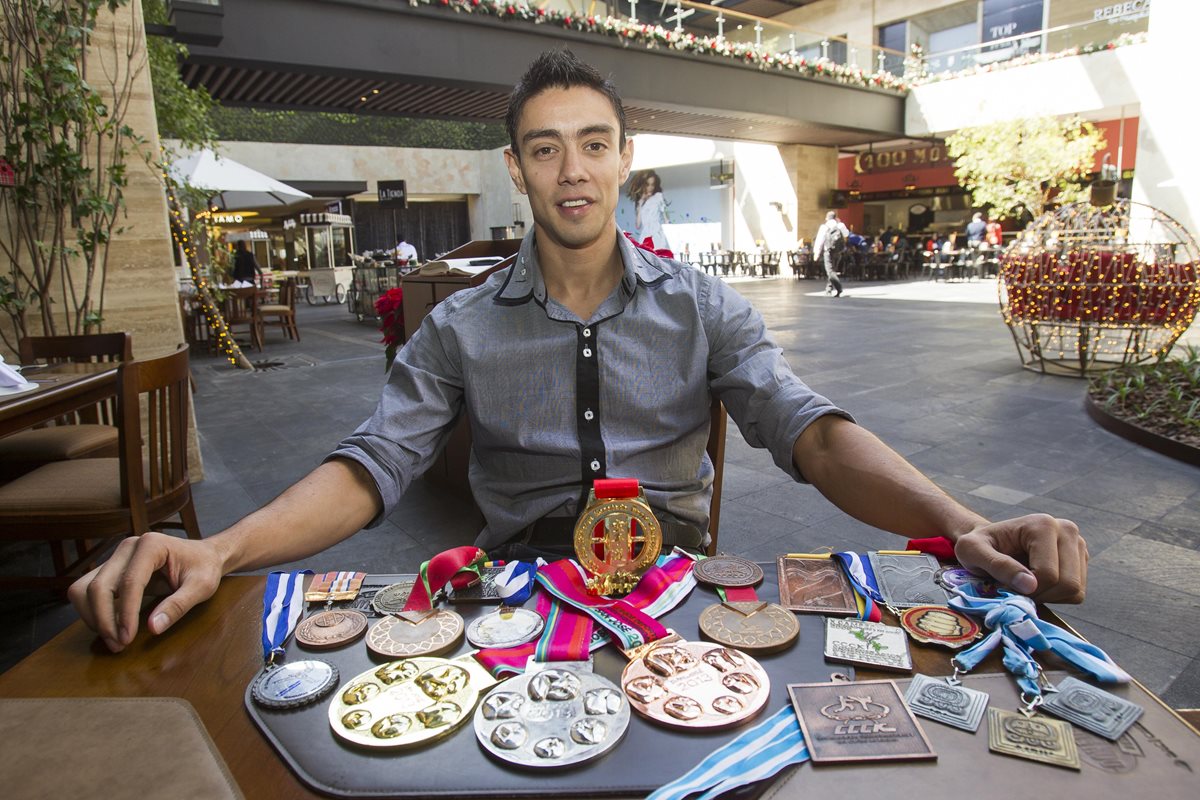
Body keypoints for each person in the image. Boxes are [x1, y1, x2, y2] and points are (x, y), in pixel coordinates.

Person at [69, 49, 1087, 654]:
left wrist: (961, 522)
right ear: (516, 167)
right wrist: (219, 548)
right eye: (546, 148)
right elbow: (373, 464)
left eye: (594, 143)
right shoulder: (459, 328)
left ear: (623, 159)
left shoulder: (703, 307)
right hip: (510, 600)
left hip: (686, 599)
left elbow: (808, 431)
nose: (573, 171)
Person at [628, 169, 669, 250]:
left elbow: (666, 218)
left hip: (657, 233)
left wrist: (667, 231)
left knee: (658, 255)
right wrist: (640, 204)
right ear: (643, 185)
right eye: (647, 184)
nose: (650, 188)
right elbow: (638, 225)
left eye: (652, 185)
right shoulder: (641, 202)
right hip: (645, 234)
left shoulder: (658, 196)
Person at [812, 211, 848, 297]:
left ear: (827, 218)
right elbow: (847, 234)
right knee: (833, 271)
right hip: (838, 251)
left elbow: (819, 240)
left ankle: (839, 288)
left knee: (830, 271)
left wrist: (816, 253)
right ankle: (828, 289)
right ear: (835, 218)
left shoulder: (824, 227)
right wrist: (839, 223)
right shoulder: (840, 225)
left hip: (828, 251)